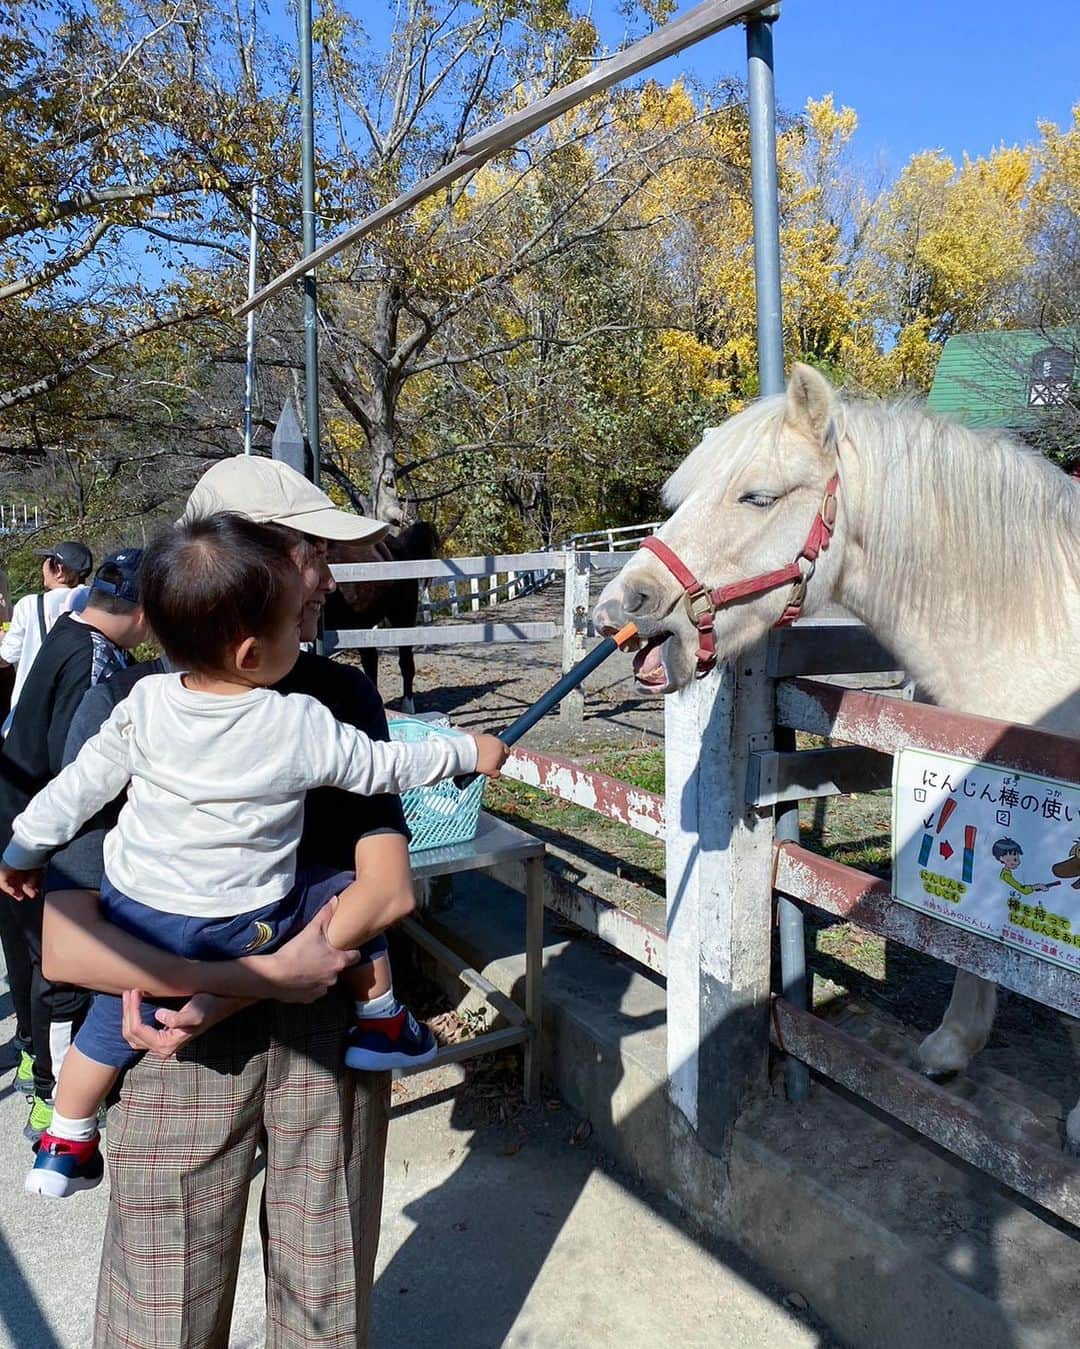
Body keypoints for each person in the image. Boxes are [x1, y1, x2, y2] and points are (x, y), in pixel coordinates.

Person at [38, 457, 450, 1347]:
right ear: (249, 561)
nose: (329, 578)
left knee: (324, 1302)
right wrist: (242, 975)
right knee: (161, 1310)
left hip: (306, 1041)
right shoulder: (139, 703)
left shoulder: (338, 695)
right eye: (311, 551)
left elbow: (386, 886)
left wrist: (234, 983)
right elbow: (62, 943)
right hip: (174, 1044)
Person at [1, 513, 505, 1198]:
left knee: (104, 1028)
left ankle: (65, 1136)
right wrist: (468, 751)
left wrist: (23, 848)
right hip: (243, 921)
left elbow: (76, 791)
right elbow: (384, 767)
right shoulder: (292, 718)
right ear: (249, 653)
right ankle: (383, 1015)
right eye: (293, 605)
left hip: (138, 916)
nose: (317, 593)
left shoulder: (141, 701)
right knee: (333, 887)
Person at [0, 549, 148, 1141]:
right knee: (56, 965)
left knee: (32, 955)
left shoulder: (69, 629)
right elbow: (79, 770)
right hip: (39, 826)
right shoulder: (95, 664)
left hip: (17, 814)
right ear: (143, 613)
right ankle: (53, 1098)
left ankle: (41, 1067)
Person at [0, 540, 93, 732]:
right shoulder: (94, 602)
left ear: (58, 569)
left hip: (32, 716)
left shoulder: (30, 605)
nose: (42, 566)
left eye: (46, 560)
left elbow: (5, 658)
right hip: (78, 711)